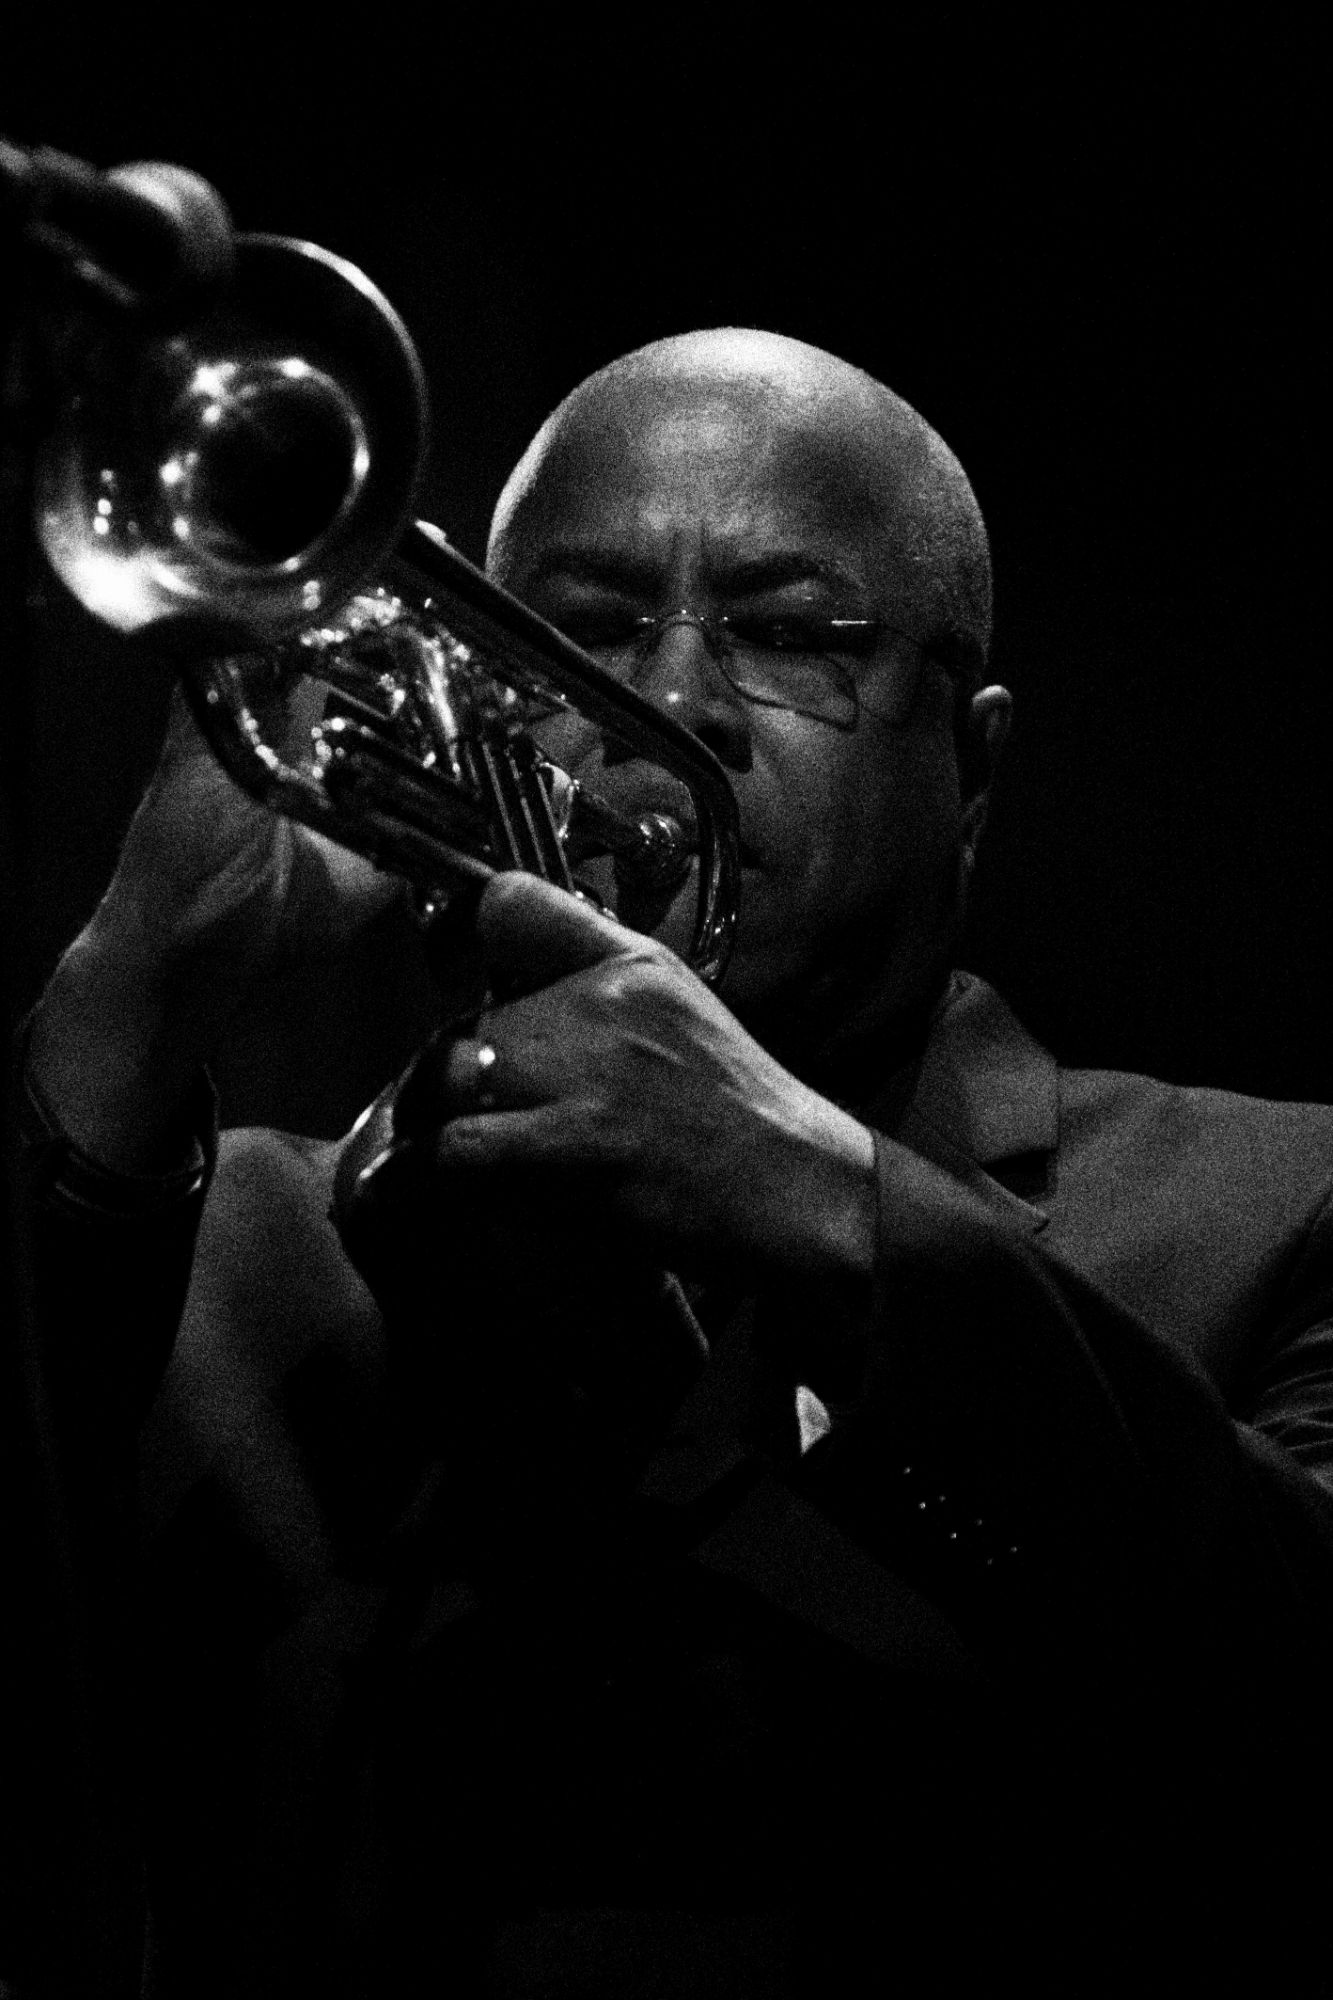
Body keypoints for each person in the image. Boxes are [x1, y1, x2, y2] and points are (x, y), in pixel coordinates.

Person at [17, 327, 1333, 1997]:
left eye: (793, 637)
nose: (677, 706)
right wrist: (132, 984)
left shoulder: (1278, 1208)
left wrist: (826, 1200)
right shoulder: (236, 1254)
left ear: (975, 769)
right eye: (582, 633)